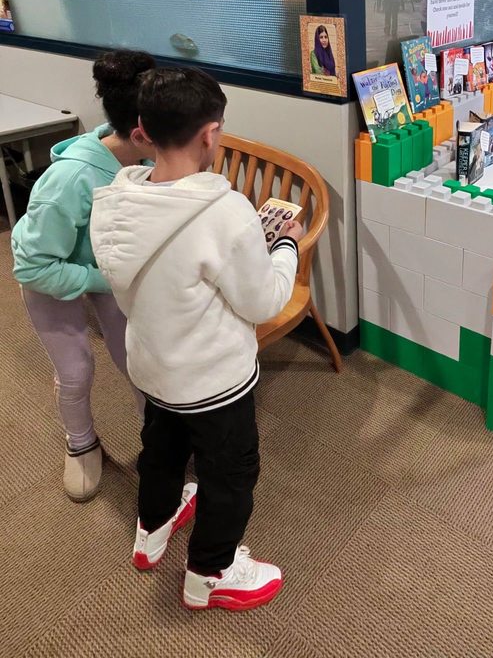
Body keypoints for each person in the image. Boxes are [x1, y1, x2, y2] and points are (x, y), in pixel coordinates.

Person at [90, 67, 304, 612]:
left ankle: (151, 532)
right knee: (230, 473)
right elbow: (262, 302)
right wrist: (285, 249)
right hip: (213, 381)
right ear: (211, 135)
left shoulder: (114, 202)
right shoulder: (224, 212)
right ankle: (212, 572)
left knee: (161, 452)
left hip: (153, 368)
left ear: (142, 129)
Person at [11, 50, 156, 502]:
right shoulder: (69, 181)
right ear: (143, 132)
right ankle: (81, 444)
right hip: (48, 271)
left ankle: (160, 443)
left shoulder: (144, 160)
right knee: (75, 370)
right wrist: (101, 279)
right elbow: (33, 266)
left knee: (137, 360)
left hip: (104, 267)